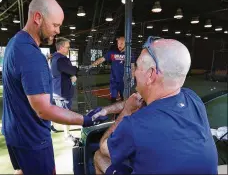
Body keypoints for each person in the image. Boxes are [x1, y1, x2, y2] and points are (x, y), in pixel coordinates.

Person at [1, 0, 104, 175]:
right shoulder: (31, 55)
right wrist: (86, 119)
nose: (58, 31)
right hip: (32, 137)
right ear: (38, 18)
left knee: (22, 171)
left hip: (16, 132)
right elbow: (44, 110)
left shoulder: (15, 43)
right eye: (55, 25)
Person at [92, 36, 218, 174]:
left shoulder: (135, 124)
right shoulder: (193, 98)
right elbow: (136, 100)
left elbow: (104, 148)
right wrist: (105, 110)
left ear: (151, 74)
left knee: (99, 156)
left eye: (138, 67)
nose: (134, 73)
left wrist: (126, 111)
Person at [86, 36, 135, 103]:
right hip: (114, 81)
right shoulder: (112, 53)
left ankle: (124, 113)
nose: (119, 45)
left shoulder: (129, 54)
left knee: (124, 100)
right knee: (113, 99)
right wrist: (91, 66)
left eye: (121, 44)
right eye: (118, 43)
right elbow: (101, 60)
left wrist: (132, 78)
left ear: (126, 44)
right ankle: (115, 113)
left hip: (124, 81)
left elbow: (132, 67)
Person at [51, 37, 78, 143]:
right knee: (66, 113)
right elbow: (71, 70)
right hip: (62, 92)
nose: (68, 49)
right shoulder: (61, 59)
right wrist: (75, 71)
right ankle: (67, 135)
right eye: (67, 47)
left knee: (55, 111)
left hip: (56, 90)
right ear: (61, 47)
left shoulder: (54, 57)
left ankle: (52, 126)